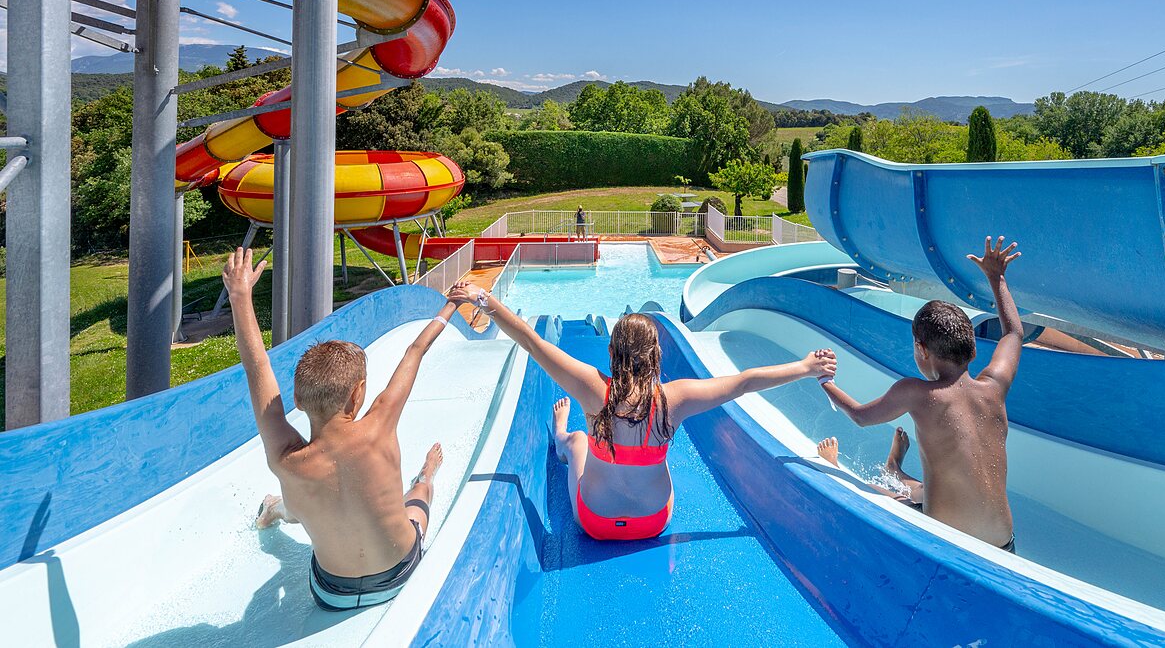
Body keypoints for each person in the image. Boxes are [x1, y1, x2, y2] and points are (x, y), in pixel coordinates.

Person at [447, 281, 836, 541]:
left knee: (581, 440)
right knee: (658, 455)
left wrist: (485, 298)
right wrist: (805, 367)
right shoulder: (676, 398)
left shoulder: (593, 389)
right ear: (656, 355)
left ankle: (563, 438)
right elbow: (747, 380)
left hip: (595, 522)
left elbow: (531, 342)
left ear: (612, 352)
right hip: (653, 523)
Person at [222, 247, 454, 610]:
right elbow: (414, 351)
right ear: (358, 394)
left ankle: (275, 508)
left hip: (332, 594)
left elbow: (257, 369)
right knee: (419, 498)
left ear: (296, 400)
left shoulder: (285, 458)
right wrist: (451, 304)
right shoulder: (380, 424)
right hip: (399, 575)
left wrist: (240, 297)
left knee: (300, 504)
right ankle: (426, 474)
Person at [815, 236, 1023, 553]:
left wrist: (824, 380)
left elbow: (859, 416)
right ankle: (896, 469)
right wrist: (997, 277)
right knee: (937, 485)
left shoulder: (918, 392)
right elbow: (1013, 333)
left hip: (949, 545)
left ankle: (844, 468)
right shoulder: (994, 386)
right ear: (972, 348)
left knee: (875, 492)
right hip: (1005, 545)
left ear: (921, 350)